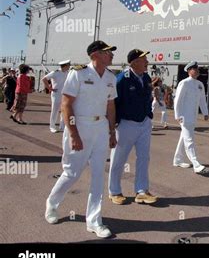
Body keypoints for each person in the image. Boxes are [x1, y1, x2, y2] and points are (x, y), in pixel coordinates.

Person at [45, 40, 118, 239]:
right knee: (71, 173)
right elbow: (66, 104)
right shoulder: (77, 73)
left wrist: (112, 132)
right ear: (95, 54)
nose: (111, 55)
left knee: (98, 175)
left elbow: (110, 106)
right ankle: (52, 204)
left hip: (101, 128)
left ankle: (94, 221)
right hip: (80, 127)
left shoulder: (111, 77)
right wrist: (74, 134)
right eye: (107, 52)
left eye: (111, 52)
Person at [108, 49, 158, 205]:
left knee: (144, 157)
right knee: (119, 158)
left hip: (144, 123)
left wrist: (149, 114)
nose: (147, 62)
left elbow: (148, 97)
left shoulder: (146, 77)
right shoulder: (122, 79)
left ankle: (141, 191)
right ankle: (114, 191)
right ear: (135, 62)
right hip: (126, 124)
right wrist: (112, 127)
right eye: (144, 60)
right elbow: (113, 103)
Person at [173, 61, 209, 174]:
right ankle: (196, 164)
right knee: (189, 140)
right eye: (195, 68)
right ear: (189, 71)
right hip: (184, 116)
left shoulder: (200, 84)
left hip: (193, 116)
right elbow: (177, 100)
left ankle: (177, 160)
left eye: (198, 68)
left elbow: (202, 100)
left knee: (184, 138)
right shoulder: (184, 83)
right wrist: (177, 115)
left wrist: (205, 112)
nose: (197, 70)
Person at [42, 60, 71, 133]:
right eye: (68, 65)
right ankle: (52, 127)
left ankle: (62, 126)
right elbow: (44, 79)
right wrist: (49, 88)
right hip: (56, 94)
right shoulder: (55, 73)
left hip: (64, 94)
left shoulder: (67, 73)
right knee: (55, 110)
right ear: (65, 65)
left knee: (64, 110)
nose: (69, 66)